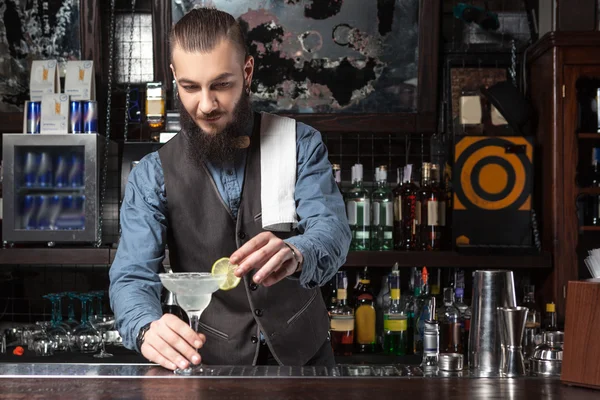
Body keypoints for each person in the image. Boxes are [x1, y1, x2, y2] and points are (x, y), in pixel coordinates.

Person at [109, 7, 351, 371]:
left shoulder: (300, 144)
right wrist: (145, 327)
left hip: (306, 363)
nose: (205, 105)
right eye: (190, 87)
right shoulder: (153, 174)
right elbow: (132, 275)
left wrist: (297, 251)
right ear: (174, 78)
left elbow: (332, 232)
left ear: (247, 72)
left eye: (221, 84)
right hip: (210, 366)